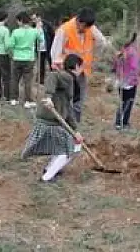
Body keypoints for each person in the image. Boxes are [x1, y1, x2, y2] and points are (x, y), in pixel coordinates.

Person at [21, 53, 85, 183]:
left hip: (53, 120)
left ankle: (50, 169)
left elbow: (68, 108)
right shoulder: (66, 77)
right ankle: (46, 177)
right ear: (77, 66)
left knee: (71, 145)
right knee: (69, 149)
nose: (82, 70)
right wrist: (49, 97)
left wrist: (75, 130)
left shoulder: (68, 79)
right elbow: (52, 76)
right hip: (51, 121)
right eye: (81, 67)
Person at [49, 7, 112, 122]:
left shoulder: (90, 28)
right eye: (85, 27)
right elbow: (54, 54)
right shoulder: (64, 30)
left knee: (79, 100)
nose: (86, 30)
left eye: (89, 27)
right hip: (67, 72)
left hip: (82, 71)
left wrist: (96, 56)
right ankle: (63, 122)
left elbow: (102, 42)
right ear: (79, 21)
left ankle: (75, 123)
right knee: (66, 99)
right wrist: (59, 70)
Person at [8, 11, 44, 108]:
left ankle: (14, 99)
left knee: (15, 79)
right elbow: (41, 39)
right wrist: (39, 27)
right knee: (28, 81)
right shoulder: (33, 31)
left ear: (20, 21)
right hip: (29, 58)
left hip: (17, 57)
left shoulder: (15, 32)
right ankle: (28, 101)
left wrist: (12, 52)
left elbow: (10, 45)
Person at [113, 32, 140, 131]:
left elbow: (115, 66)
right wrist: (132, 79)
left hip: (121, 81)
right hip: (129, 82)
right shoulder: (133, 52)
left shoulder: (122, 51)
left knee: (122, 102)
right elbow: (134, 68)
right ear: (134, 40)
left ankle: (118, 122)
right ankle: (123, 123)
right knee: (128, 102)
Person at [31, 11, 55, 85]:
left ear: (39, 17)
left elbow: (52, 34)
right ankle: (41, 81)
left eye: (34, 18)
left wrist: (52, 45)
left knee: (51, 64)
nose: (33, 20)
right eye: (32, 19)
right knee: (41, 65)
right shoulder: (33, 26)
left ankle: (54, 79)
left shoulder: (47, 24)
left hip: (48, 48)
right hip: (39, 49)